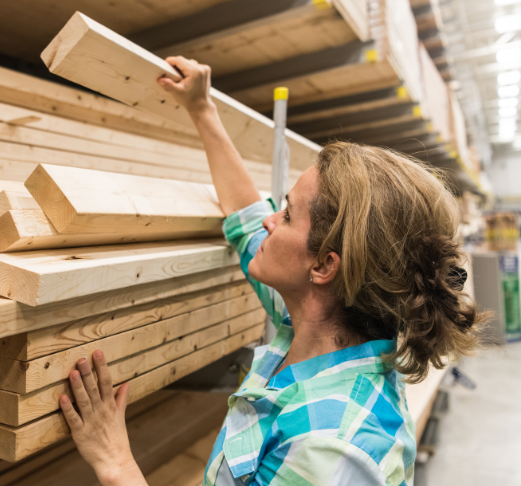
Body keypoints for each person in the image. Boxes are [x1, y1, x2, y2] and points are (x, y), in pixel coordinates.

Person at [57, 57, 485, 486]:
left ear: (323, 266)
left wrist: (115, 462)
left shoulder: (329, 448)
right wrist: (201, 108)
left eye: (285, 214)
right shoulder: (315, 323)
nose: (268, 220)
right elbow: (246, 217)